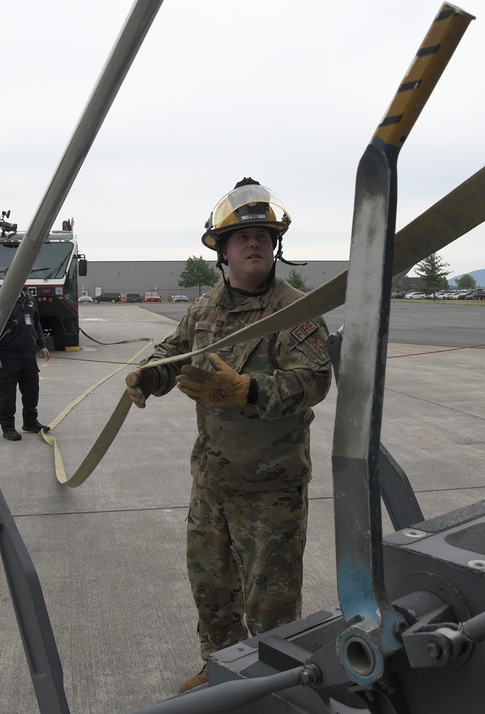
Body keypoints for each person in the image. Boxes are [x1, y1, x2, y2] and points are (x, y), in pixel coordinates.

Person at [124, 178, 332, 693]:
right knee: (211, 585)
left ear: (276, 245)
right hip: (213, 479)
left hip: (272, 489)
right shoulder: (205, 309)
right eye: (242, 236)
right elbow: (173, 348)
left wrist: (247, 391)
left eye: (263, 234)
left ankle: (279, 683)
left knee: (272, 600)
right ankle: (220, 667)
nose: (254, 242)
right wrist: (152, 373)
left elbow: (314, 379)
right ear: (221, 248)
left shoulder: (297, 310)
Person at [0, 270, 51, 441]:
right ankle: (8, 427)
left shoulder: (29, 299)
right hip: (8, 356)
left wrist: (42, 345)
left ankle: (30, 421)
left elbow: (36, 323)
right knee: (7, 394)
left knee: (32, 391)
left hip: (28, 355)